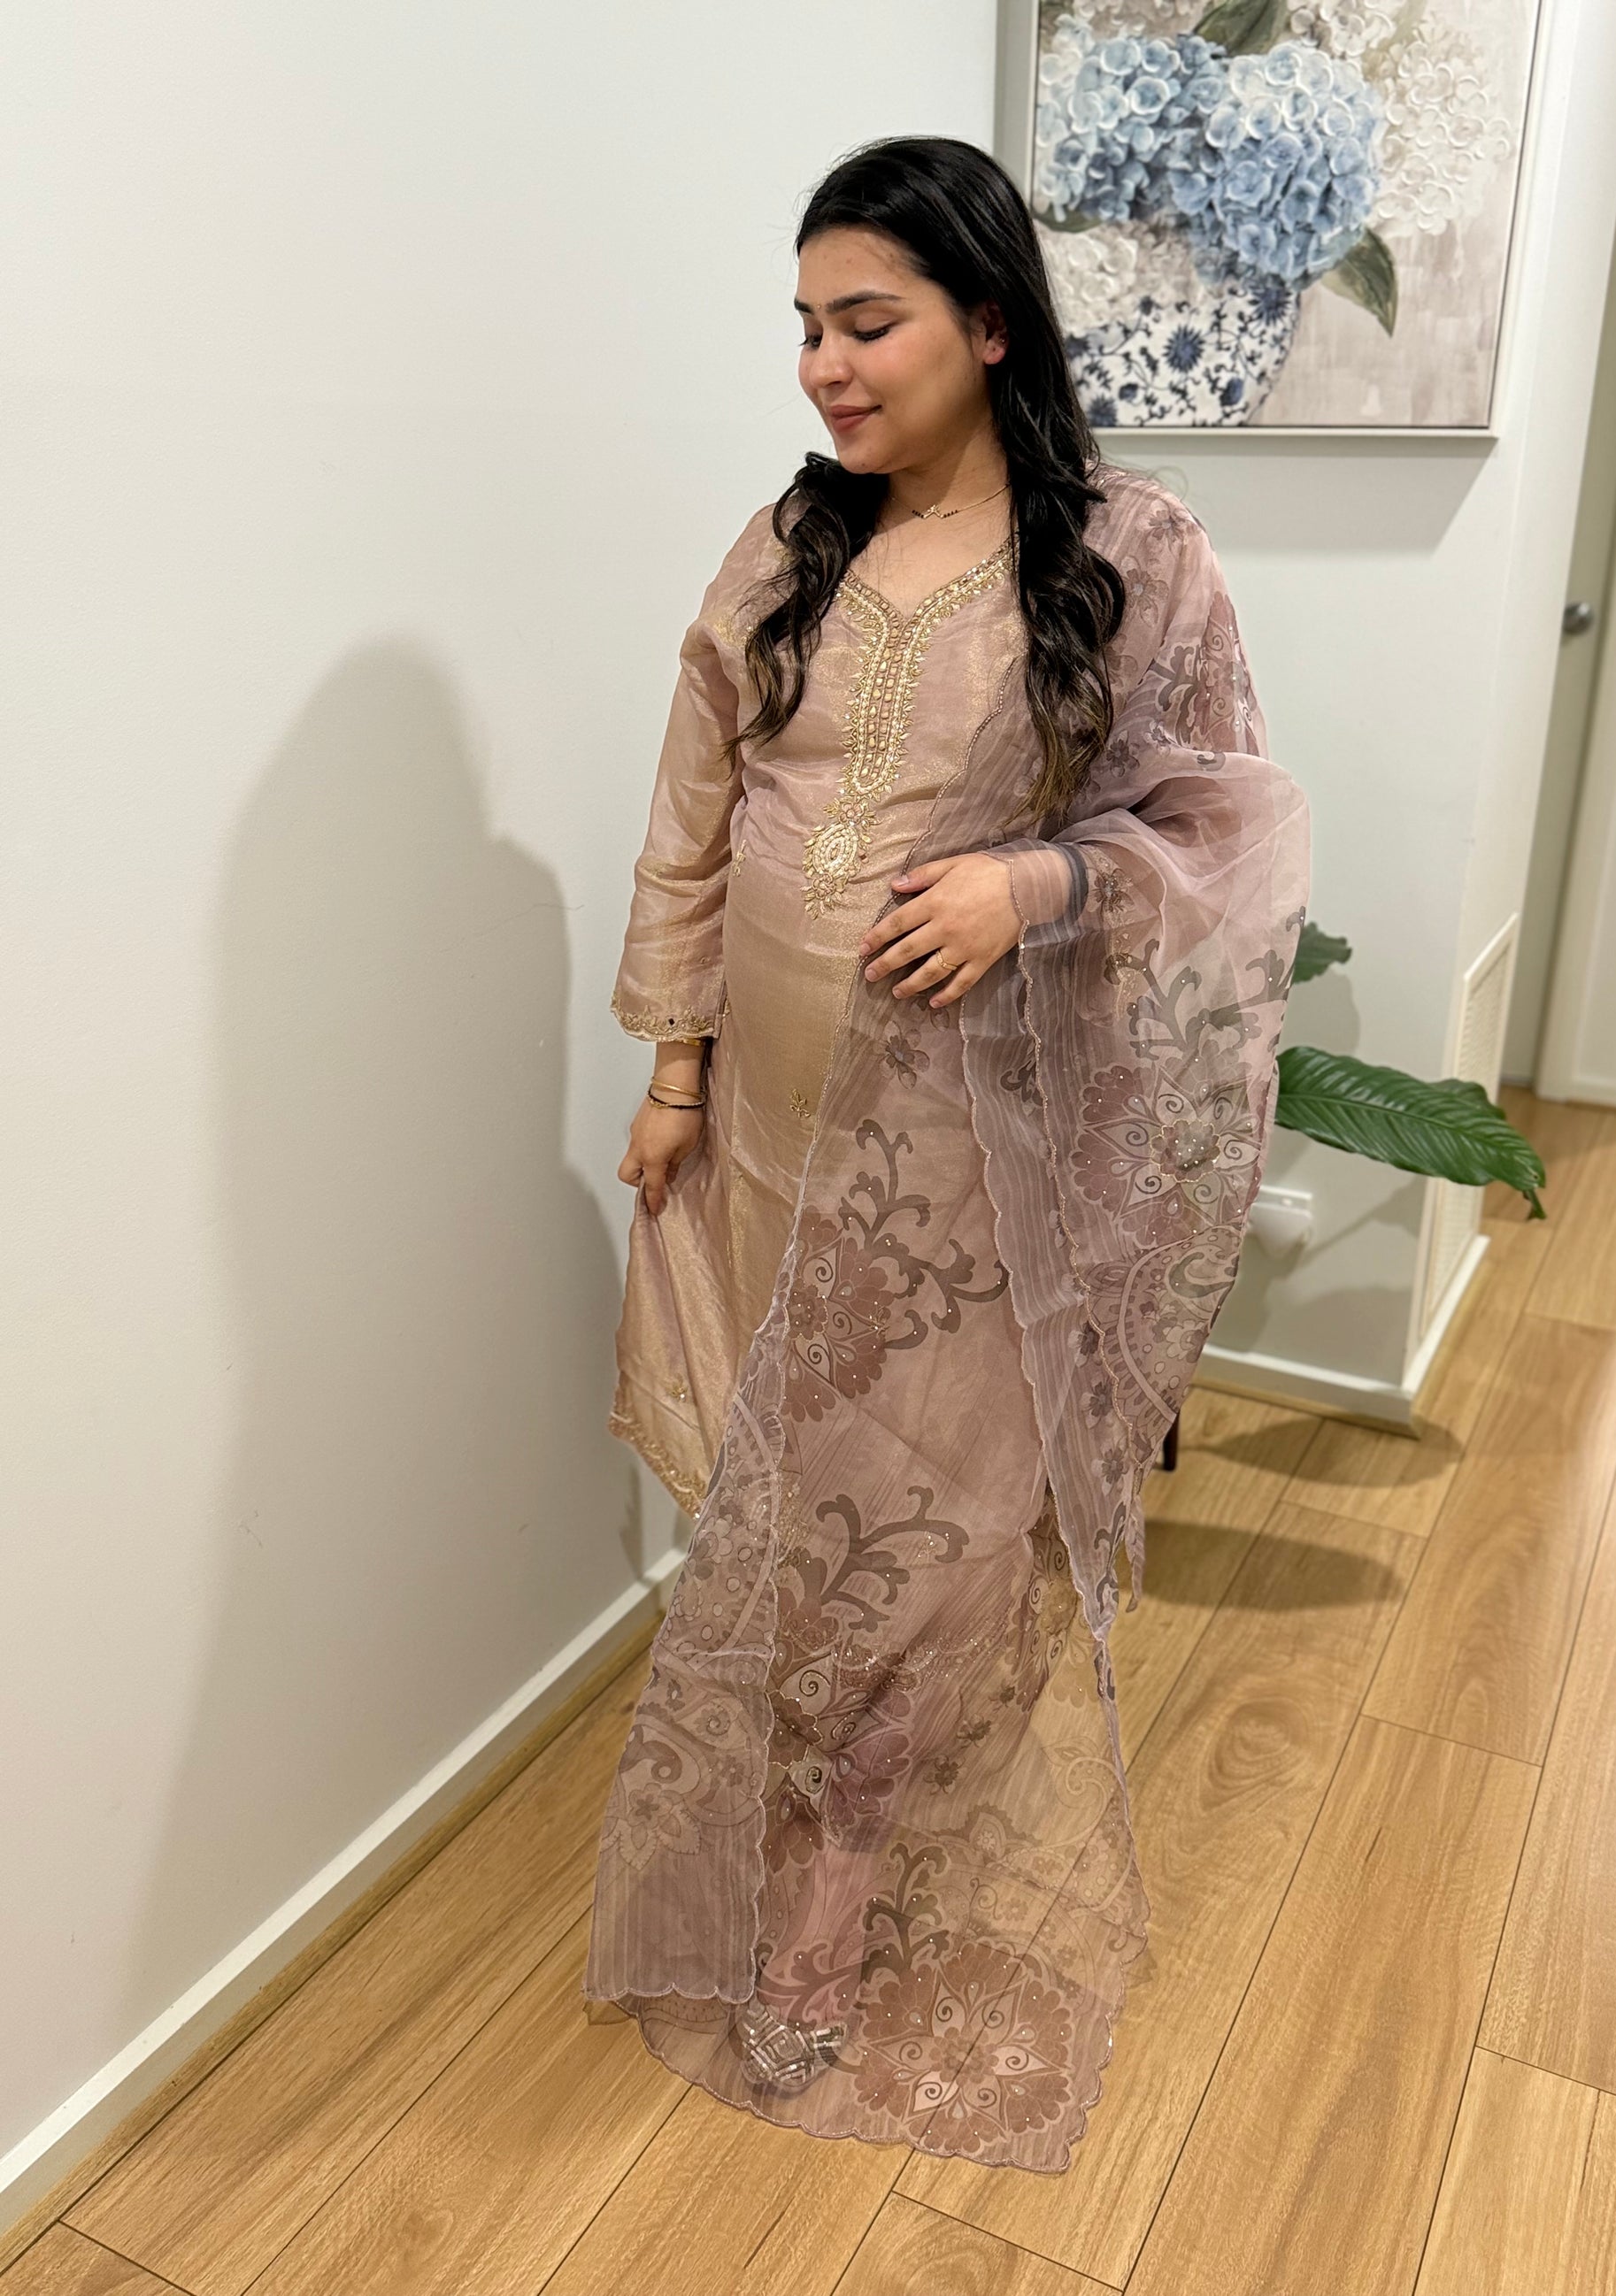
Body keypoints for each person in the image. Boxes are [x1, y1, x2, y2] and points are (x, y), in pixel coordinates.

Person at [585, 134, 1308, 2173]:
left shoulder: (1128, 551)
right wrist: (673, 1064)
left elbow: (1226, 821)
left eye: (866, 322)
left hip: (973, 1152)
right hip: (764, 1126)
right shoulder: (787, 544)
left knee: (926, 1522)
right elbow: (691, 806)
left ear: (988, 324)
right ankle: (781, 1811)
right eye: (804, 327)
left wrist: (1031, 885)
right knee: (781, 1492)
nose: (823, 366)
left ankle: (826, 1896)